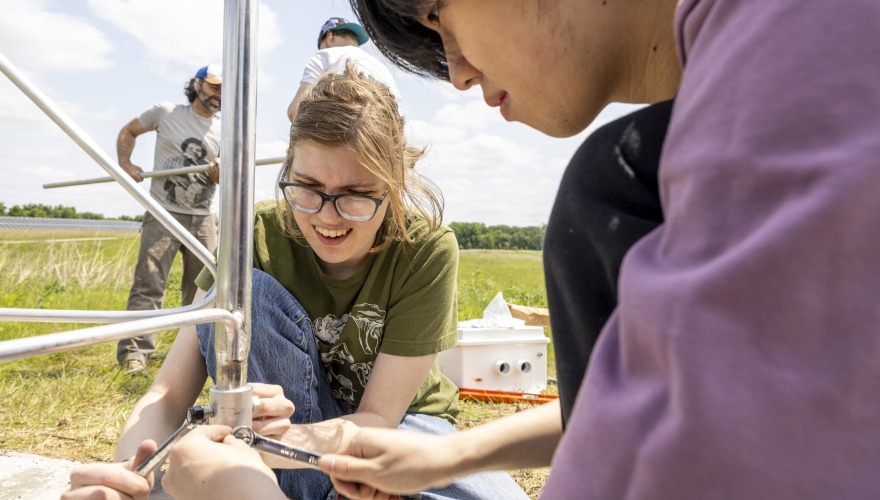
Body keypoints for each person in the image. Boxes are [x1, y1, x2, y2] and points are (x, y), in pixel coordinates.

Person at [154, 0, 880, 499]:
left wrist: (235, 478)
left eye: (437, 17)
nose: (458, 72)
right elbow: (646, 402)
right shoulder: (643, 168)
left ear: (394, 192)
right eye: (305, 189)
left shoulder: (801, 48)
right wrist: (449, 455)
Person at [65, 64, 527, 500]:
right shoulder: (253, 234)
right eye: (306, 186)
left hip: (397, 427)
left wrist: (252, 450)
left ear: (395, 184)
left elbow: (378, 419)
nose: (327, 218)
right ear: (286, 170)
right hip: (273, 441)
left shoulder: (425, 248)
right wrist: (131, 470)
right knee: (251, 290)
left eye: (356, 195)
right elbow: (167, 394)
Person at [116, 64, 224, 374]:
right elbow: (129, 131)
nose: (219, 94)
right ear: (197, 85)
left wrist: (220, 172)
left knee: (201, 292)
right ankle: (135, 354)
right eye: (214, 87)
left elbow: (225, 177)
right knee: (149, 284)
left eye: (222, 89)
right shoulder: (166, 112)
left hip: (204, 218)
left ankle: (192, 361)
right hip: (163, 212)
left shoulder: (223, 130)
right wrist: (126, 162)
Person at [286, 17, 398, 122]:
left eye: (321, 45)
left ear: (330, 35)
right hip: (380, 138)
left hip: (337, 136)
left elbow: (295, 112)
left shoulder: (324, 55)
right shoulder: (382, 69)